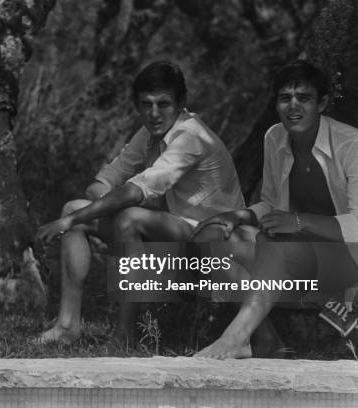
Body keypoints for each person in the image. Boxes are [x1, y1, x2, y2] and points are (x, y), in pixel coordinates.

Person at [35, 61, 245, 344]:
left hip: (213, 249)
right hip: (169, 239)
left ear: (181, 103)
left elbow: (135, 190)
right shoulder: (149, 133)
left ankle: (124, 334)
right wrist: (82, 214)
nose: (154, 113)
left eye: (163, 104)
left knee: (120, 217)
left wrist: (80, 218)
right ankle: (67, 326)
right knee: (74, 208)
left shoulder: (191, 136)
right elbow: (103, 182)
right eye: (146, 104)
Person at [193, 60, 358, 359]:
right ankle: (263, 338)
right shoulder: (274, 137)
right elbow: (271, 202)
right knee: (215, 238)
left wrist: (298, 222)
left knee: (276, 244)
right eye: (285, 98)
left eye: (303, 98)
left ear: (322, 103)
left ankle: (233, 338)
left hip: (346, 263)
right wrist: (239, 216)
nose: (292, 106)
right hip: (295, 260)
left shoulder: (351, 145)